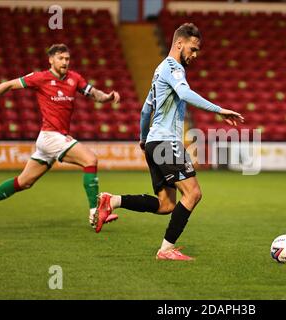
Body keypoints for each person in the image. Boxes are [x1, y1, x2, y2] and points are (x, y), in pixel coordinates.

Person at [95, 23, 244, 260]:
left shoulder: (159, 71)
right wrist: (219, 110)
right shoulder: (173, 67)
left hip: (155, 142)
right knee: (193, 193)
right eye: (192, 49)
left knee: (166, 205)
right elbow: (184, 94)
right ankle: (165, 250)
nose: (194, 55)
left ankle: (112, 201)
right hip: (166, 143)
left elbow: (146, 111)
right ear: (179, 43)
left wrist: (144, 140)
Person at [0, 44, 119, 228]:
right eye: (61, 58)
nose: (65, 62)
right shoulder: (40, 78)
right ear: (51, 60)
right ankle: (95, 212)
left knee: (24, 182)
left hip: (52, 139)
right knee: (90, 159)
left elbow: (95, 94)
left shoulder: (74, 78)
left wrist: (108, 97)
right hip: (51, 136)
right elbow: (8, 85)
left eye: (67, 59)